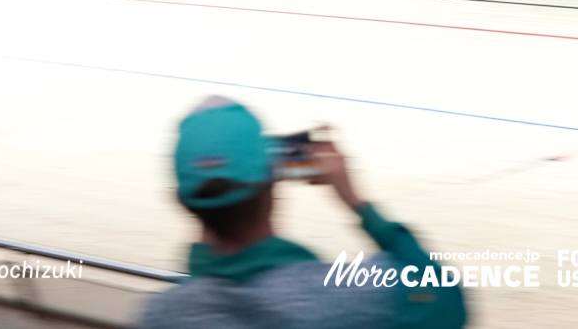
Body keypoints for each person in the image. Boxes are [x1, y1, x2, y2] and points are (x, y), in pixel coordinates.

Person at [140, 97, 464, 329]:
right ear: (274, 182)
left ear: (182, 203)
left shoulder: (162, 315)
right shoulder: (343, 298)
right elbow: (442, 298)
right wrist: (354, 200)